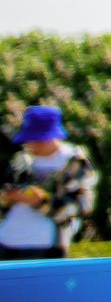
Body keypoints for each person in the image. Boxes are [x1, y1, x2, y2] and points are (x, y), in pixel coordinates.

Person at [0, 105, 95, 258]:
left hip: (44, 245)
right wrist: (8, 197)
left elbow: (83, 206)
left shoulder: (74, 161)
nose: (28, 144)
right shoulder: (22, 159)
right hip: (6, 240)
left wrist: (41, 202)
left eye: (34, 139)